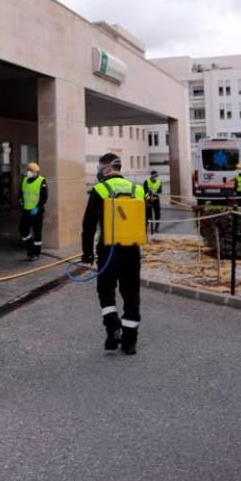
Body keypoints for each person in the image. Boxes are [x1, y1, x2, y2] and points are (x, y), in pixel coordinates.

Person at [81, 152, 147, 355]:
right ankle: (130, 342)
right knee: (131, 295)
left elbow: (89, 225)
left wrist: (87, 253)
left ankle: (112, 331)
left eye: (100, 168)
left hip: (107, 250)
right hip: (132, 251)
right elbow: (142, 224)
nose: (99, 172)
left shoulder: (99, 190)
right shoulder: (137, 190)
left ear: (107, 168)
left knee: (106, 291)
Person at [19, 161, 48, 260]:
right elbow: (22, 193)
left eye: (30, 171)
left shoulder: (41, 181)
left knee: (37, 231)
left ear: (36, 172)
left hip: (37, 211)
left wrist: (38, 207)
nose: (28, 172)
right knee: (22, 229)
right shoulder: (25, 180)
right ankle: (30, 246)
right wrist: (20, 200)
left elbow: (44, 197)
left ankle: (36, 253)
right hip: (26, 210)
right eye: (28, 170)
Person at [143, 170, 163, 235]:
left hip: (156, 199)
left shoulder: (159, 182)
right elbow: (145, 192)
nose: (156, 177)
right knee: (149, 214)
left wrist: (155, 194)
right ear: (152, 175)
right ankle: (148, 227)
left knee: (157, 213)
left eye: (157, 176)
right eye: (155, 176)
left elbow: (160, 191)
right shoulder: (146, 181)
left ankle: (156, 227)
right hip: (148, 200)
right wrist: (149, 197)